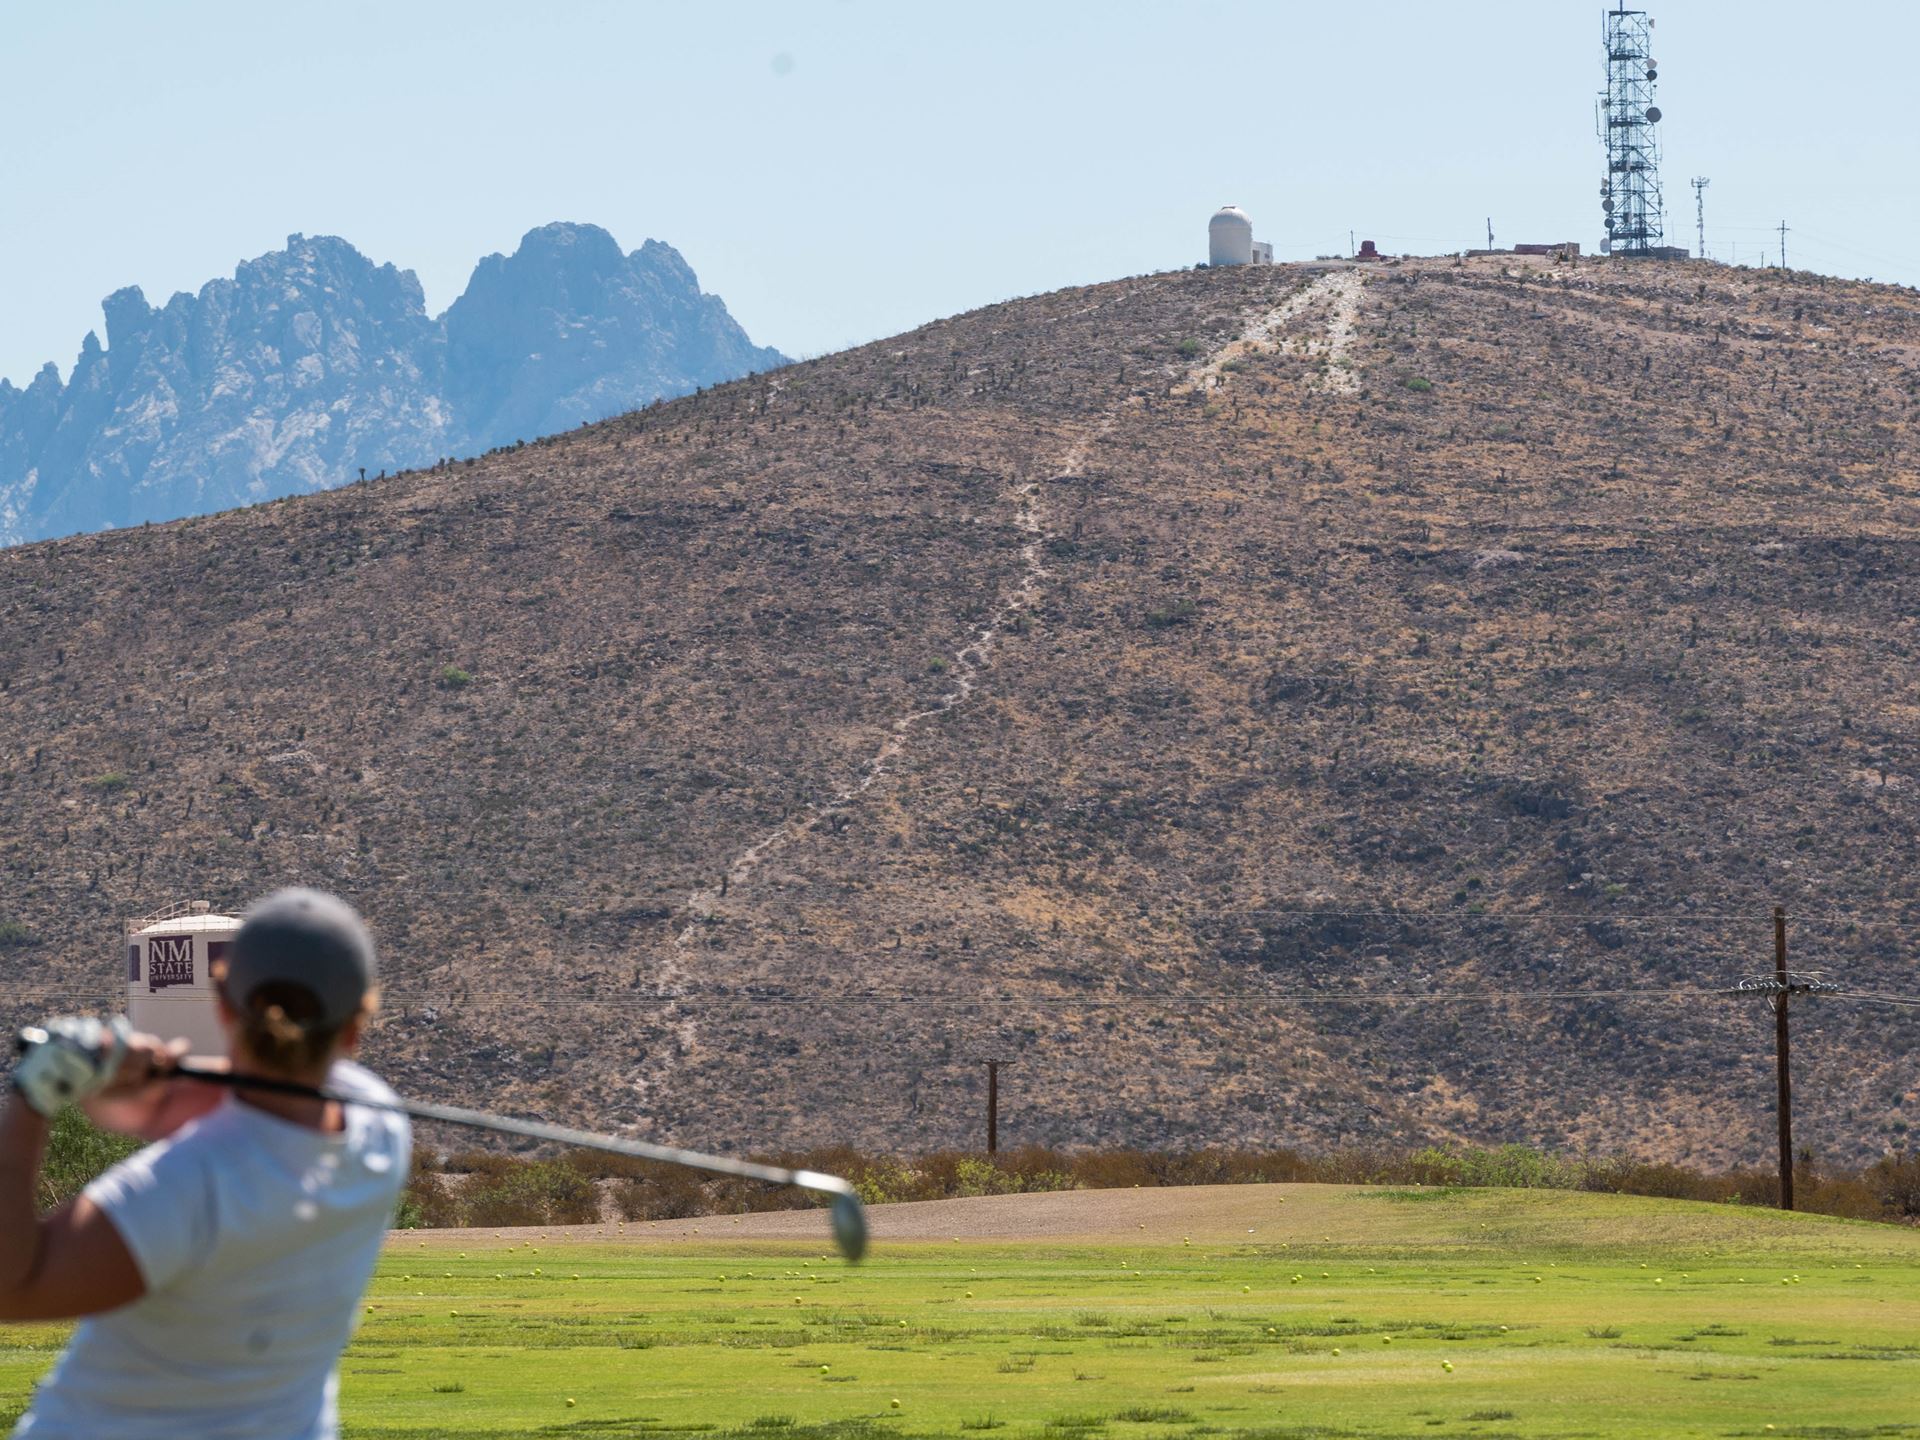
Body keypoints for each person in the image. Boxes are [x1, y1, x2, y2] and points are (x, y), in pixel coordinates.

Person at [0, 888, 410, 1439]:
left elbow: (12, 1289)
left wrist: (33, 1098)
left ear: (221, 1007)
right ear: (355, 1028)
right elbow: (164, 1104)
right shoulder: (380, 1126)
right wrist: (135, 1065)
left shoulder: (187, 1187)